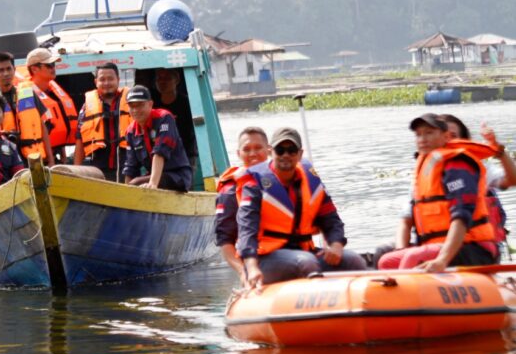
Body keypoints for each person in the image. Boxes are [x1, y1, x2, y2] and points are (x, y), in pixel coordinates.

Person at [236, 127, 366, 290]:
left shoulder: (312, 184)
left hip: (305, 251)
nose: (285, 155)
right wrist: (251, 266)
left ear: (300, 154)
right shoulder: (254, 184)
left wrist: (336, 245)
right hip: (265, 259)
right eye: (280, 150)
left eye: (291, 150)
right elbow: (247, 230)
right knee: (305, 262)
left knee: (353, 260)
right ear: (271, 152)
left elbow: (332, 220)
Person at [379, 114, 508, 269]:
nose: (422, 139)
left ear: (446, 137)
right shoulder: (425, 169)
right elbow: (406, 220)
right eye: (418, 134)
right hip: (437, 245)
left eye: (429, 133)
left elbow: (462, 216)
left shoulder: (458, 165)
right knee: (386, 261)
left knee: (413, 257)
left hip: (472, 247)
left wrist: (442, 260)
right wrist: (402, 248)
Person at [215, 127, 271, 286]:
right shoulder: (230, 191)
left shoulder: (283, 179)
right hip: (257, 258)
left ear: (269, 150)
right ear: (239, 154)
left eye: (258, 148)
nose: (253, 154)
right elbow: (224, 238)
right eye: (247, 149)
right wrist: (243, 271)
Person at [0, 52, 54, 166]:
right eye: (1, 70)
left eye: (9, 69)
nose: (6, 73)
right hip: (4, 162)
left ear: (14, 69)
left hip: (33, 159)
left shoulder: (28, 93)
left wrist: (51, 160)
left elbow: (43, 127)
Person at [122, 85, 192, 192]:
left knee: (135, 183)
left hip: (177, 177)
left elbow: (160, 152)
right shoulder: (130, 131)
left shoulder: (164, 118)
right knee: (131, 185)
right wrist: (125, 193)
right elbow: (131, 166)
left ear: (150, 104)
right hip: (152, 177)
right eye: (132, 106)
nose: (135, 110)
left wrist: (153, 184)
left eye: (140, 105)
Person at [73, 62, 131, 181]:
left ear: (118, 80)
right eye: (102, 79)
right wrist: (75, 171)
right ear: (96, 82)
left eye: (110, 79)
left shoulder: (131, 102)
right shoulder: (86, 107)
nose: (106, 83)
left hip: (128, 167)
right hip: (98, 170)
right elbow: (79, 139)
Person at [26, 48, 78, 164]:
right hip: (41, 158)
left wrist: (63, 155)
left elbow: (60, 122)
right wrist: (50, 159)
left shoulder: (52, 91)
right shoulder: (28, 95)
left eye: (54, 64)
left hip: (57, 155)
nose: (53, 68)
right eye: (49, 65)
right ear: (34, 69)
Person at [153, 68, 198, 171]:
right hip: (161, 153)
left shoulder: (187, 103)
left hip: (186, 154)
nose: (162, 81)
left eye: (167, 78)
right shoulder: (153, 104)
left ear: (176, 80)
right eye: (159, 78)